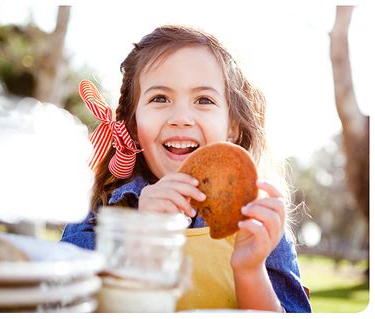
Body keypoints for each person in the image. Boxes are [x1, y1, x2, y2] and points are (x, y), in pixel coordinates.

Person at [61, 24, 311, 313]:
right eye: (160, 98)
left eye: (203, 100)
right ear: (132, 122)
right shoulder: (98, 212)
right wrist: (139, 237)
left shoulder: (258, 224)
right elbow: (61, 301)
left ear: (232, 126)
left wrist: (250, 270)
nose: (181, 118)